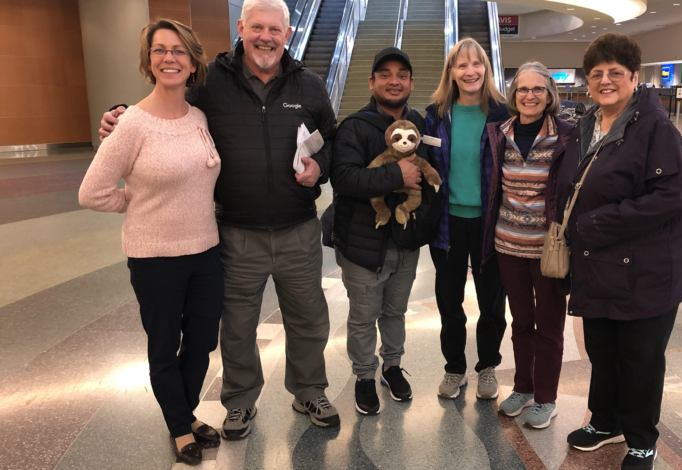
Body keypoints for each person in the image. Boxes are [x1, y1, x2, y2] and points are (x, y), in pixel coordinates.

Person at [99, 0, 340, 435]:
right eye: (258, 27)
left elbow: (333, 141)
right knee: (238, 324)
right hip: (235, 231)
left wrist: (320, 167)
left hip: (298, 227)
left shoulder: (309, 85)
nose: (266, 37)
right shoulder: (211, 82)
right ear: (242, 27)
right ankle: (240, 400)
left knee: (308, 317)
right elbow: (164, 103)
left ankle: (309, 391)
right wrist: (121, 113)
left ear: (287, 34)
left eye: (275, 29)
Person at [80, 19, 221, 465]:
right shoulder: (132, 124)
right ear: (148, 61)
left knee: (201, 341)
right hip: (154, 257)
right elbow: (92, 192)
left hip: (205, 251)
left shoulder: (198, 118)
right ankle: (180, 426)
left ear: (194, 60)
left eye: (178, 50)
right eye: (159, 51)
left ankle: (184, 410)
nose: (169, 58)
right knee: (164, 346)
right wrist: (136, 203)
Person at [555, 33, 682, 470]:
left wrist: (594, 224)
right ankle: (605, 420)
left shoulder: (655, 129)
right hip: (597, 265)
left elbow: (667, 197)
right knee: (603, 351)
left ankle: (641, 439)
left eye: (616, 72)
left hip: (646, 271)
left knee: (640, 359)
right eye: (596, 74)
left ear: (635, 77)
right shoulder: (586, 124)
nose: (605, 80)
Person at [329, 47, 440, 415]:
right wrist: (396, 175)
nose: (395, 80)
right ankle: (364, 375)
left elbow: (427, 173)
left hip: (405, 243)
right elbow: (343, 179)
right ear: (372, 82)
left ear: (411, 82)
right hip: (364, 243)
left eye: (402, 74)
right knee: (363, 316)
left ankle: (392, 367)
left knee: (395, 311)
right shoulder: (354, 127)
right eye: (386, 74)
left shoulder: (419, 125)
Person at [480, 61, 574, 429]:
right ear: (513, 94)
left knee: (549, 324)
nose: (529, 95)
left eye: (537, 89)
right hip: (507, 244)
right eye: (522, 89)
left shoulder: (566, 134)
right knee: (521, 321)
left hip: (548, 249)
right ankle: (523, 387)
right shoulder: (499, 132)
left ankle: (546, 397)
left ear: (549, 94)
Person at [424, 37, 510, 401]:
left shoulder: (503, 113)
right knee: (448, 299)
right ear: (452, 72)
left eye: (477, 63)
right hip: (447, 224)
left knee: (492, 300)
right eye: (462, 65)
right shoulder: (436, 114)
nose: (470, 70)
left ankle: (487, 365)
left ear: (486, 69)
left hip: (492, 223)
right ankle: (454, 367)